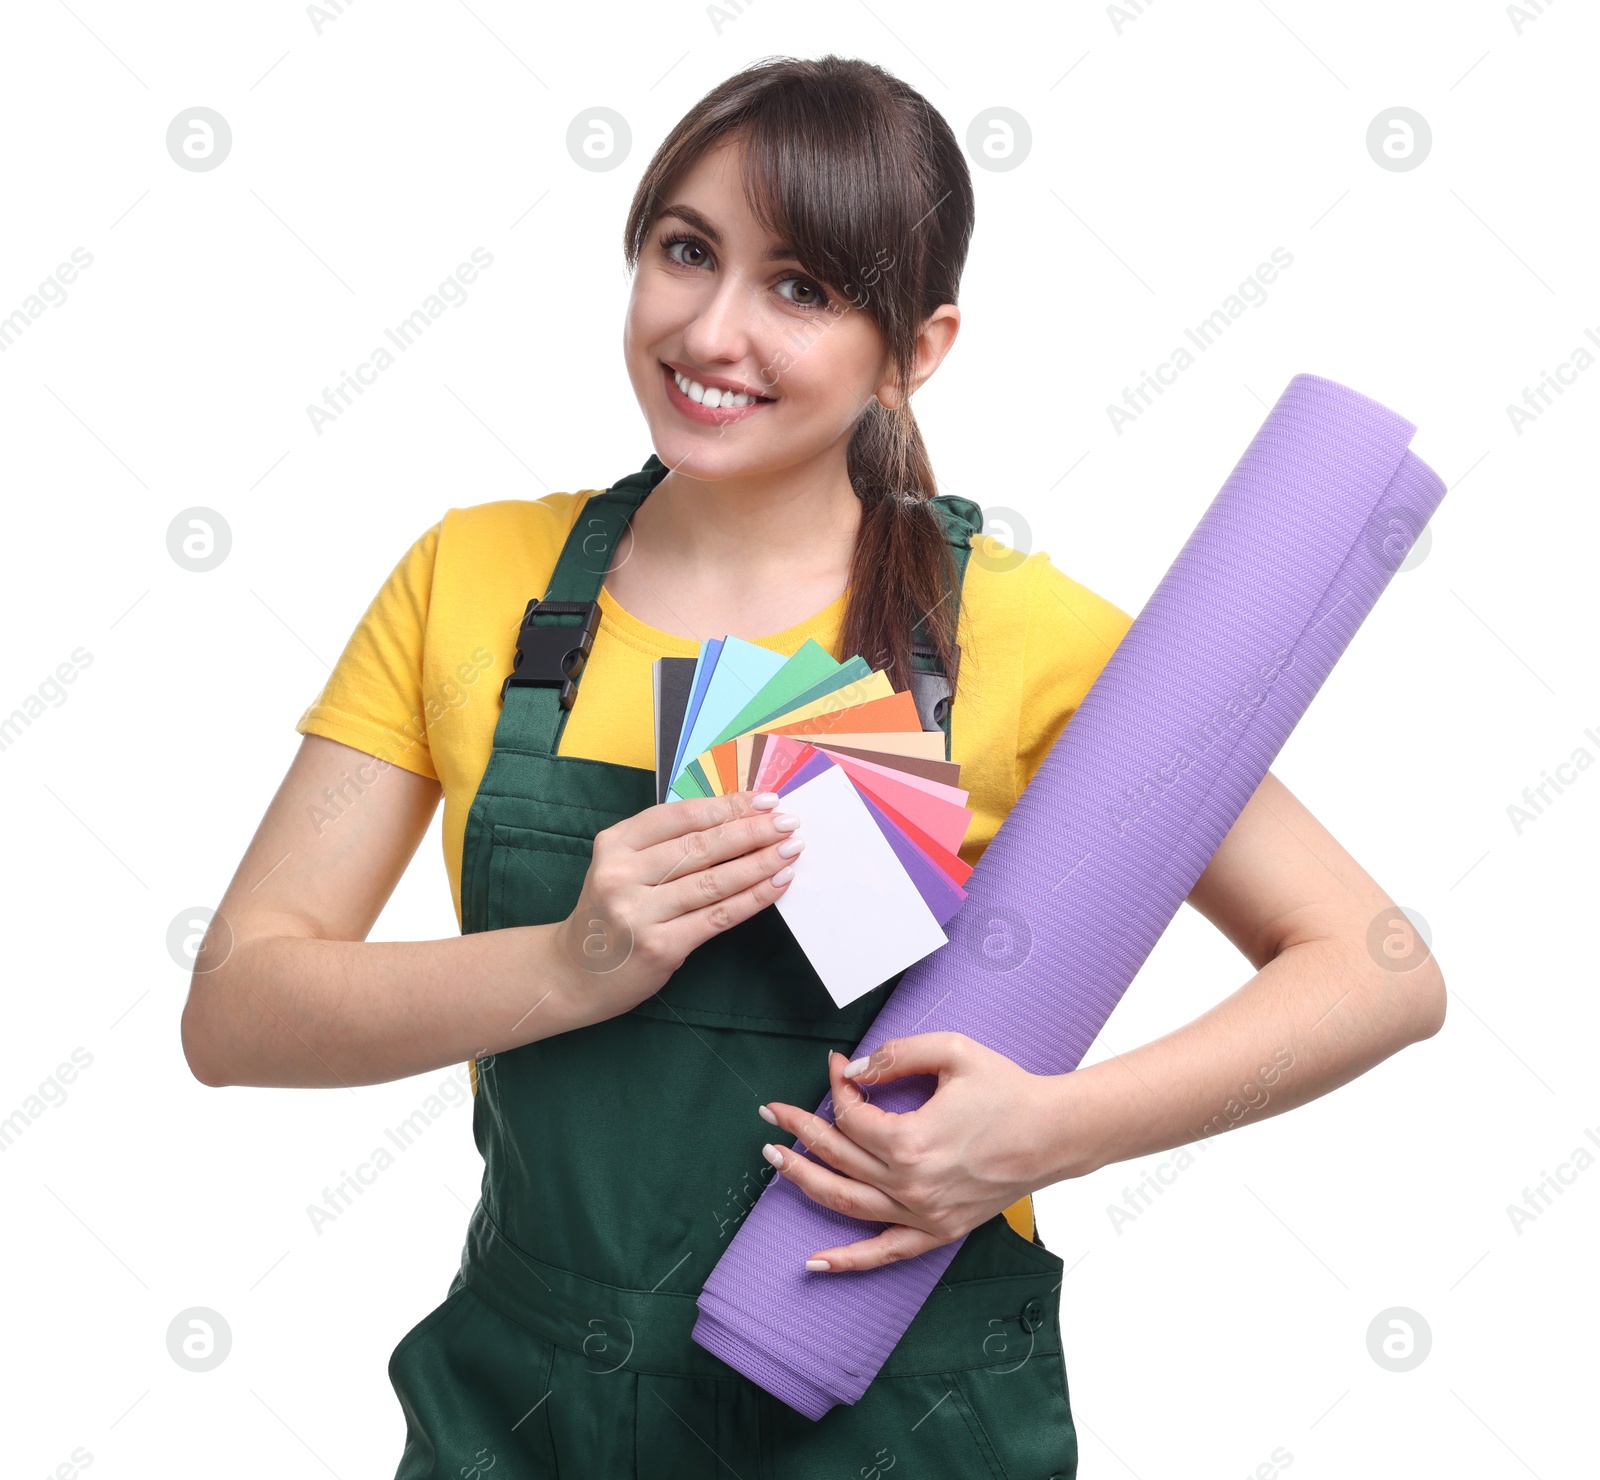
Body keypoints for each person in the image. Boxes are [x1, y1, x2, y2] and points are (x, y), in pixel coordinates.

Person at [181, 54, 1446, 1480]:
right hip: (526, 1412)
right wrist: (573, 962)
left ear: (918, 346)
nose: (712, 330)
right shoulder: (471, 582)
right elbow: (237, 1011)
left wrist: (1046, 1133)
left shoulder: (1022, 632)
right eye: (684, 250)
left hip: (902, 1417)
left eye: (802, 288)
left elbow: (1379, 966)